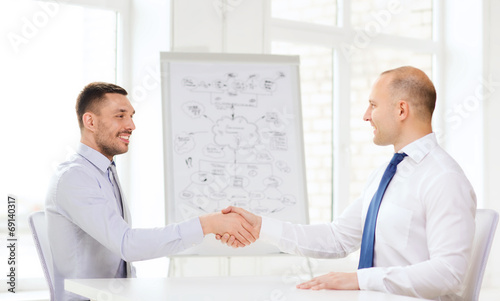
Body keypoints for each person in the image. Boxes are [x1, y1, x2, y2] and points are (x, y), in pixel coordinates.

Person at [217, 66, 477, 300]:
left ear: (401, 110)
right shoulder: (385, 175)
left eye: (373, 105)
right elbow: (337, 238)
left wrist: (359, 280)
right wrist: (261, 227)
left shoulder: (444, 179)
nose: (366, 116)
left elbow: (448, 273)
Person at [45, 82, 258, 301]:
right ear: (90, 121)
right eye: (120, 116)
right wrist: (206, 224)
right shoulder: (75, 177)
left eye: (131, 116)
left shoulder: (105, 172)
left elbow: (121, 263)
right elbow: (126, 245)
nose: (131, 125)